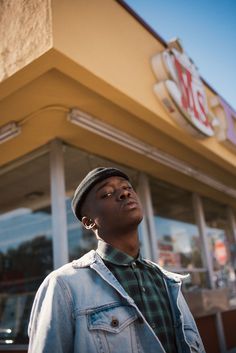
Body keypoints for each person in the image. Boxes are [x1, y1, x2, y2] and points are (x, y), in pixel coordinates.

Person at [28, 167, 205, 353]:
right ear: (88, 222)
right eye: (106, 193)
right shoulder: (64, 286)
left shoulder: (167, 280)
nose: (124, 193)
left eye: (127, 187)